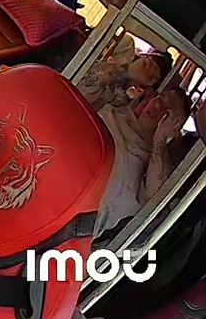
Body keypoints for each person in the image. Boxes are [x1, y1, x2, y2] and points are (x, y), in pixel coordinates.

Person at [95, 85, 190, 237]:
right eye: (160, 98)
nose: (157, 106)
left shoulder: (152, 162)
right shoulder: (114, 112)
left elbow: (154, 198)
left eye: (167, 113)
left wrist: (160, 138)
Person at [76, 49, 173, 112]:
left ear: (151, 82)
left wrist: (128, 97)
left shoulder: (127, 100)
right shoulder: (113, 60)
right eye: (149, 58)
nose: (149, 60)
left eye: (154, 68)